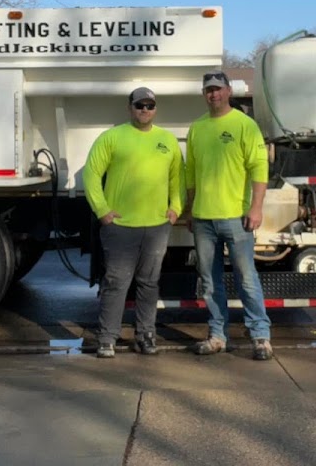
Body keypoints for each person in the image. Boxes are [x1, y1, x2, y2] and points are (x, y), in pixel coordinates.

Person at [83, 87, 183, 358]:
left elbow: (178, 179)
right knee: (116, 282)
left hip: (156, 227)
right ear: (130, 108)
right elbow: (91, 175)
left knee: (149, 283)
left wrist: (176, 207)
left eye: (150, 105)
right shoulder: (112, 138)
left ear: (155, 109)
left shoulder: (167, 141)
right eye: (139, 105)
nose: (145, 110)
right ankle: (107, 338)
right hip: (120, 227)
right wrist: (102, 210)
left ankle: (146, 335)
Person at [183, 71, 273, 360]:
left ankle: (260, 336)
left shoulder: (245, 125)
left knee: (247, 278)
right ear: (203, 93)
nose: (214, 94)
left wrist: (256, 208)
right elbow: (191, 174)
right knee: (210, 282)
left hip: (236, 217)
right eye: (209, 90)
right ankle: (217, 336)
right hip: (203, 220)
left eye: (218, 89)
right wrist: (189, 210)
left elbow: (259, 169)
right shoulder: (197, 127)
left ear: (228, 91)